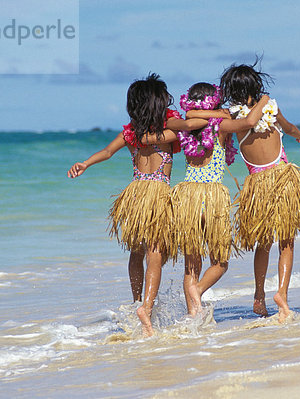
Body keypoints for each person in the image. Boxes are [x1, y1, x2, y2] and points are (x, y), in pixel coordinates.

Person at [67, 73, 207, 336]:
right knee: (156, 253)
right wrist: (212, 115)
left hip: (135, 195)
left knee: (136, 251)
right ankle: (146, 309)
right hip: (157, 194)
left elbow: (107, 152)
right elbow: (193, 124)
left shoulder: (132, 132)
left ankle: (136, 302)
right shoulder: (169, 126)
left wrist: (85, 163)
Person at [144, 82, 269, 316]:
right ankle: (198, 291)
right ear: (214, 102)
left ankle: (194, 315)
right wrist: (263, 101)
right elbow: (250, 121)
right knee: (220, 262)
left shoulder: (184, 128)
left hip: (187, 198)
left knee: (191, 265)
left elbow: (155, 136)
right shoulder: (221, 127)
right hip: (212, 197)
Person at [215, 61, 300, 322]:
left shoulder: (232, 118)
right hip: (284, 180)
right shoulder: (271, 109)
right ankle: (282, 295)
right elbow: (289, 128)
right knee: (287, 241)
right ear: (256, 85)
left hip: (257, 185)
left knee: (263, 242)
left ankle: (259, 296)